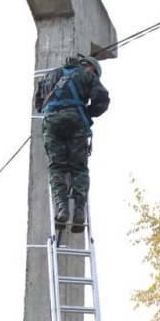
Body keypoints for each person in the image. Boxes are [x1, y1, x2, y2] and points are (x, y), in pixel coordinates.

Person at [35, 55, 110, 232]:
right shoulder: (86, 75)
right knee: (79, 168)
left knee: (57, 167)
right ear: (90, 68)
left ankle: (62, 207)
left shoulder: (49, 77)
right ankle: (79, 211)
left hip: (52, 125)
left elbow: (39, 104)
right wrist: (88, 113)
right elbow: (102, 98)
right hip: (76, 124)